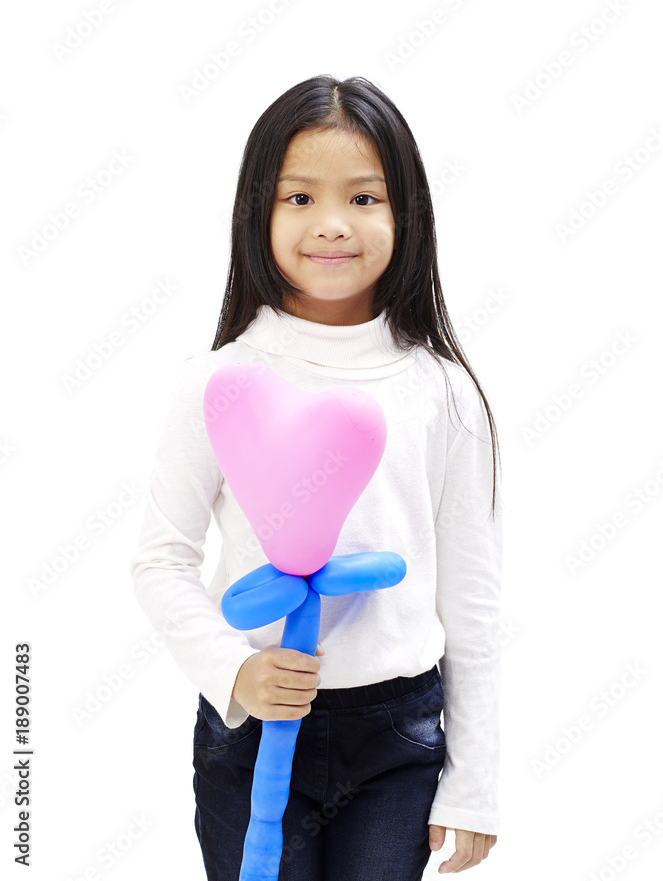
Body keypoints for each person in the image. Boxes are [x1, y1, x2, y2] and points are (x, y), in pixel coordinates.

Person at [129, 74, 504, 880]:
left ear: (406, 214)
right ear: (255, 213)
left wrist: (473, 785)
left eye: (364, 198)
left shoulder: (439, 388)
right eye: (299, 198)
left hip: (396, 737)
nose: (332, 224)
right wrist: (236, 672)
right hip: (252, 730)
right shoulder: (217, 383)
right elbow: (160, 561)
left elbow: (471, 595)